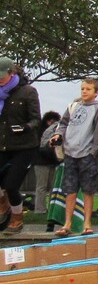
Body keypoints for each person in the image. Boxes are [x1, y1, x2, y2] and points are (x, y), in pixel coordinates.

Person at [50, 78, 98, 236]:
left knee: (88, 189)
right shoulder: (73, 106)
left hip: (87, 153)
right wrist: (58, 135)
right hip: (70, 152)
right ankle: (67, 223)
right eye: (82, 88)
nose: (84, 91)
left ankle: (87, 222)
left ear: (96, 92)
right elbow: (63, 123)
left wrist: (93, 151)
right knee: (70, 189)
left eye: (88, 89)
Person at [0, 57, 41, 234]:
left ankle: (17, 217)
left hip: (24, 146)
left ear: (12, 72)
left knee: (11, 185)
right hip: (3, 144)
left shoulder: (28, 92)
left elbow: (36, 119)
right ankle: (4, 204)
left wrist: (26, 127)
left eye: (3, 75)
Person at [34, 110, 61, 215]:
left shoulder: (45, 132)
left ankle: (48, 209)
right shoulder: (42, 132)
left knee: (49, 187)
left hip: (49, 161)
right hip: (42, 162)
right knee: (42, 186)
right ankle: (40, 209)